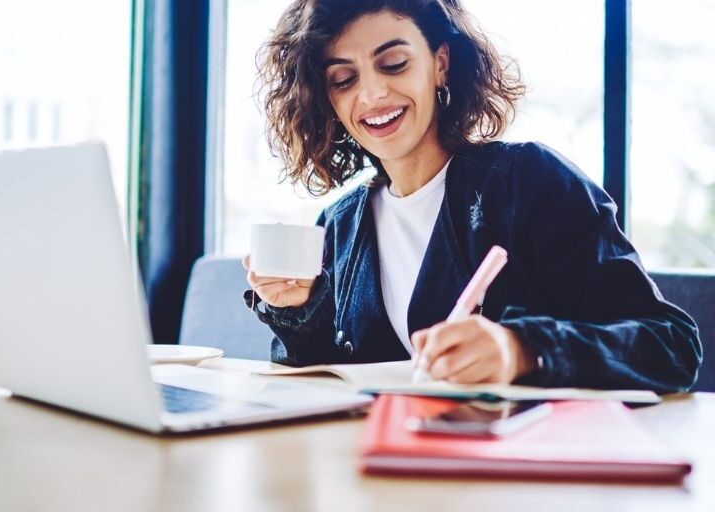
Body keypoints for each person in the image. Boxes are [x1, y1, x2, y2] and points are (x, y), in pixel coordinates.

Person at [242, 0, 702, 392]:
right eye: (344, 79)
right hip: (384, 476)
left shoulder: (529, 183)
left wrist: (522, 350)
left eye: (394, 64)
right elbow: (323, 386)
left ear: (440, 63)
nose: (374, 93)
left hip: (522, 478)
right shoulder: (338, 226)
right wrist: (297, 311)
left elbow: (671, 345)